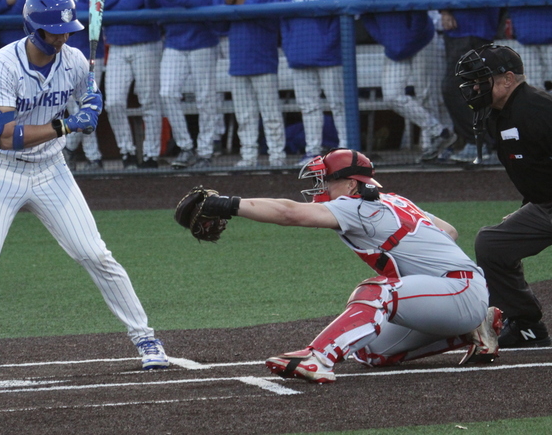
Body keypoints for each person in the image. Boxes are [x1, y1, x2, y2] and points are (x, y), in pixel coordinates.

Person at [0, 0, 168, 382]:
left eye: (67, 30)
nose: (63, 37)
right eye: (54, 32)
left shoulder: (76, 62)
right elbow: (2, 134)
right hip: (0, 171)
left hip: (51, 170)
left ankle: (145, 338)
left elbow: (87, 98)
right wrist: (65, 124)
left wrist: (90, 104)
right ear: (33, 31)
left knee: (95, 253)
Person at [190, 148, 500, 383]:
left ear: (352, 185)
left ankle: (318, 358)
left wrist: (227, 204)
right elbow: (449, 231)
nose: (319, 188)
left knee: (376, 291)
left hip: (459, 290)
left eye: (326, 181)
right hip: (456, 292)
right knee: (369, 351)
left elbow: (290, 213)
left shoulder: (357, 207)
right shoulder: (391, 200)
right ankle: (472, 329)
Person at [456, 43, 552, 349]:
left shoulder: (539, 110)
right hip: (545, 206)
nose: (474, 88)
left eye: (480, 80)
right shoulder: (500, 113)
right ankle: (527, 325)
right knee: (493, 244)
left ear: (507, 79)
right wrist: (529, 207)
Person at [353, 0, 456, 162]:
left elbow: (420, 19)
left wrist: (406, 44)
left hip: (421, 42)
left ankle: (435, 149)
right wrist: (386, 40)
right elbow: (366, 19)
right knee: (391, 95)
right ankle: (440, 132)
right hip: (393, 47)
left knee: (428, 95)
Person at [145, 0, 218, 169]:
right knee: (167, 93)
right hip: (174, 40)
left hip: (201, 40)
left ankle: (206, 151)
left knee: (205, 98)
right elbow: (155, 7)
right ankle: (186, 147)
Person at [281, 0, 349, 167]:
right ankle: (312, 152)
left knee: (339, 105)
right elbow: (284, 21)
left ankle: (345, 153)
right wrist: (290, 49)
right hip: (300, 57)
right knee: (308, 107)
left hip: (329, 58)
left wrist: (325, 47)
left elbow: (342, 20)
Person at [36, 0, 105, 171]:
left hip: (87, 52)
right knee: (72, 108)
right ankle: (79, 153)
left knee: (86, 105)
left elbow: (94, 9)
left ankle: (89, 156)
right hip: (57, 53)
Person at [437, 0, 501, 163]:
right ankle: (479, 143)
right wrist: (444, 10)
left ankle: (484, 144)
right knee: (462, 90)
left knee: (458, 88)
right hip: (456, 32)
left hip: (477, 32)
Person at [102, 0, 163, 169]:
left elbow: (133, 3)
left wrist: (113, 0)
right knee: (113, 102)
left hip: (145, 43)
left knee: (149, 100)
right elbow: (95, 4)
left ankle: (150, 155)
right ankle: (127, 152)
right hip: (116, 44)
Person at [220, 0, 286, 167]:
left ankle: (277, 156)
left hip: (263, 61)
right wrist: (228, 5)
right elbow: (219, 27)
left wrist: (243, 4)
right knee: (244, 115)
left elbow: (273, 23)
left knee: (270, 113)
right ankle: (248, 156)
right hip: (237, 63)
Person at [200, 0, 239, 155]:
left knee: (238, 88)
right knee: (210, 90)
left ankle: (240, 142)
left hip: (234, 32)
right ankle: (215, 138)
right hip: (208, 32)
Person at [414, 0, 455, 136]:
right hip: (428, 39)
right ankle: (431, 140)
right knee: (428, 92)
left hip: (454, 37)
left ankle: (452, 137)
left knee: (448, 92)